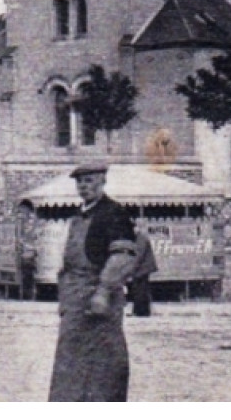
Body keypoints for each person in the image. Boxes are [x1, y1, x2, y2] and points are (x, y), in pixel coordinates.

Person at [47, 160, 139, 402]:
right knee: (72, 363)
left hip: (99, 300)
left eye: (89, 181)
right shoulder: (80, 215)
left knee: (103, 364)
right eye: (79, 182)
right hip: (75, 300)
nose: (83, 186)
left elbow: (121, 257)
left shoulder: (114, 214)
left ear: (102, 181)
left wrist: (103, 291)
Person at [127, 230, 158, 317]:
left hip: (143, 268)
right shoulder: (140, 238)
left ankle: (141, 311)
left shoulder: (140, 238)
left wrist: (132, 267)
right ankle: (140, 311)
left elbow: (139, 255)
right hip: (143, 267)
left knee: (140, 290)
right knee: (140, 289)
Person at [16, 201, 40, 301]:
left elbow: (33, 235)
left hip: (30, 250)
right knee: (24, 272)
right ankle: (25, 294)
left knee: (29, 272)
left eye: (23, 210)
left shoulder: (32, 221)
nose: (21, 213)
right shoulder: (22, 221)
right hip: (24, 250)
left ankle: (30, 294)